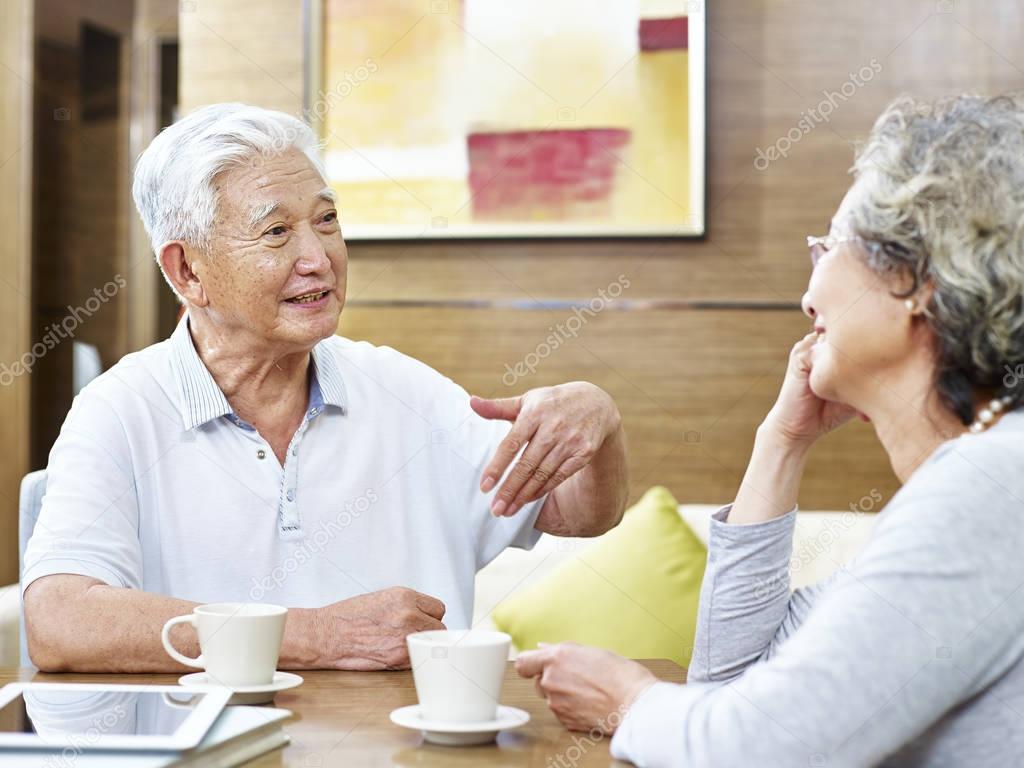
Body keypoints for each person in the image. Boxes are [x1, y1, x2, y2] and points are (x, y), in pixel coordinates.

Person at [22, 103, 628, 673]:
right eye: (277, 232)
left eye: (327, 220)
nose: (319, 257)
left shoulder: (401, 389)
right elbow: (59, 621)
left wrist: (597, 422)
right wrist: (319, 635)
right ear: (188, 271)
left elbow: (576, 512)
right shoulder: (120, 410)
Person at [517, 93, 1024, 766]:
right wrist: (781, 444)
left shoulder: (988, 490)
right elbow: (731, 683)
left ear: (915, 281)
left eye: (832, 246)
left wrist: (630, 699)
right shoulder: (982, 481)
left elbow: (762, 750)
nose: (809, 290)